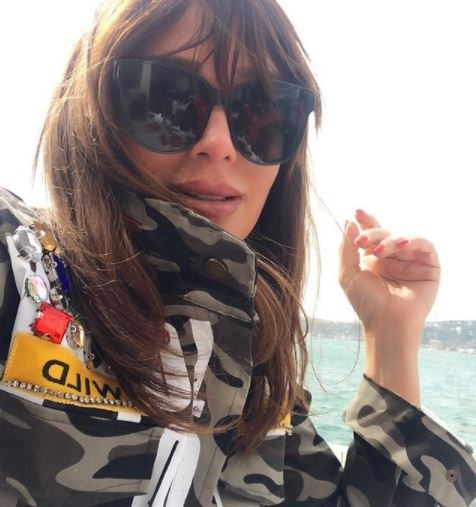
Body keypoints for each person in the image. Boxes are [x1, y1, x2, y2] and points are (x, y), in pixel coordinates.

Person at [0, 0, 474, 505]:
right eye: (168, 99)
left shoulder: (259, 380)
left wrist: (392, 336)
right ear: (93, 109)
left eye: (261, 111)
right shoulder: (18, 270)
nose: (218, 142)